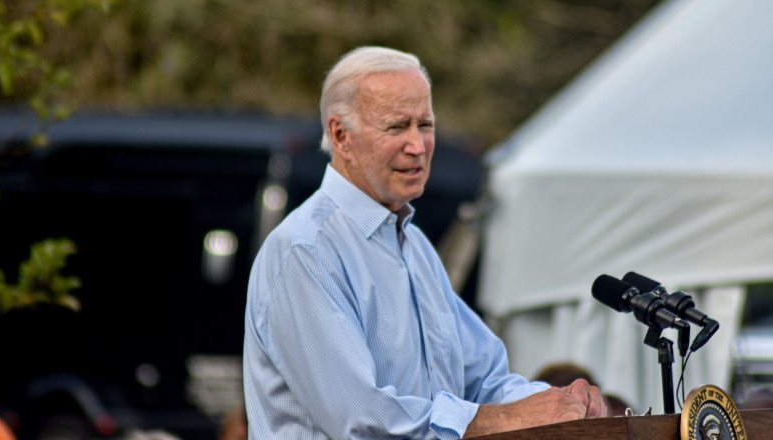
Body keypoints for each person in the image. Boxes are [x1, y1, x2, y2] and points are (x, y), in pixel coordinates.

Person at [242, 46, 607, 439]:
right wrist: (514, 416)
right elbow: (366, 421)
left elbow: (484, 381)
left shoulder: (414, 247)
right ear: (341, 136)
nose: (418, 145)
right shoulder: (306, 252)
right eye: (397, 127)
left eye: (426, 125)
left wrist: (565, 403)